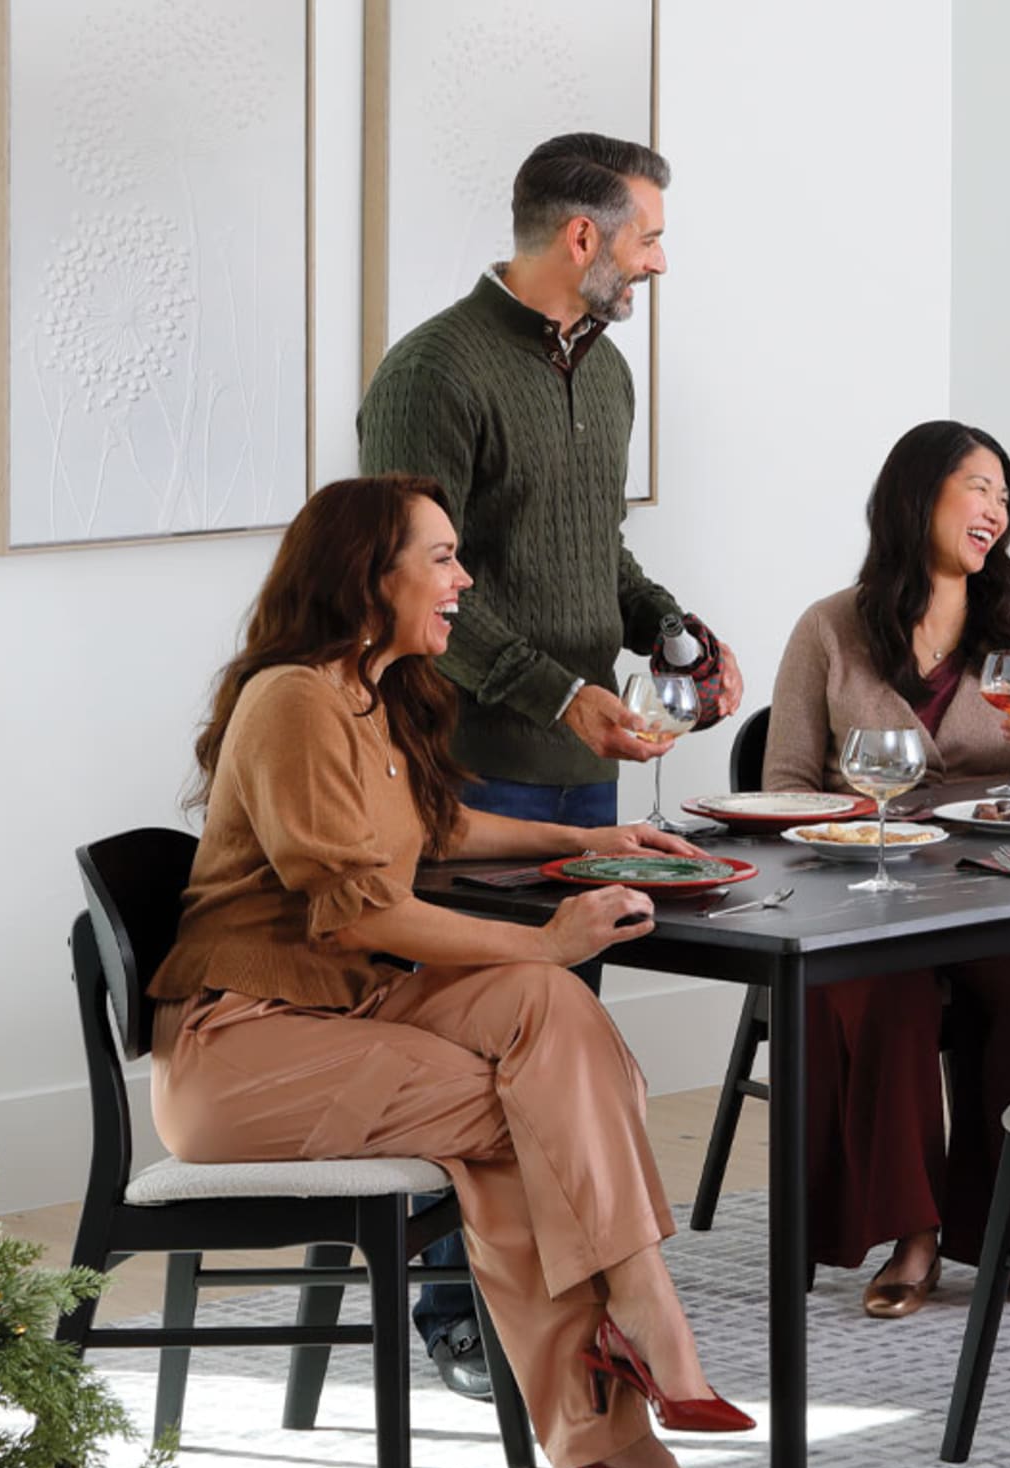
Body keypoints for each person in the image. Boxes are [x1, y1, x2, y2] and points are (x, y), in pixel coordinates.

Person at [147, 473, 765, 1468]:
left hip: (342, 1025)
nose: (464, 579)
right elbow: (355, 915)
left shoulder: (367, 690)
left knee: (547, 1013)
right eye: (440, 557)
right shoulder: (292, 698)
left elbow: (439, 829)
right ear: (366, 576)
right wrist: (544, 936)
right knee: (534, 1091)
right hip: (241, 1053)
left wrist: (589, 840)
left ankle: (633, 1355)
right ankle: (623, 1394)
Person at [358, 130, 743, 1396]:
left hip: (586, 768)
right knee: (460, 1049)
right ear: (583, 238)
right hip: (466, 771)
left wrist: (678, 631)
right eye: (649, 236)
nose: (660, 261)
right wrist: (559, 693)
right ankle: (452, 1318)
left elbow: (597, 557)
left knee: (564, 1039)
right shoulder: (435, 372)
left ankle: (566, 1307)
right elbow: (418, 588)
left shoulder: (611, 370)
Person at [763, 421, 1010, 1318]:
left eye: (1006, 494)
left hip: (997, 877)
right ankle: (913, 1234)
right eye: (979, 487)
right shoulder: (830, 627)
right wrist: (857, 820)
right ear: (918, 495)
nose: (998, 509)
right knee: (883, 991)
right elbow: (782, 787)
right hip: (865, 887)